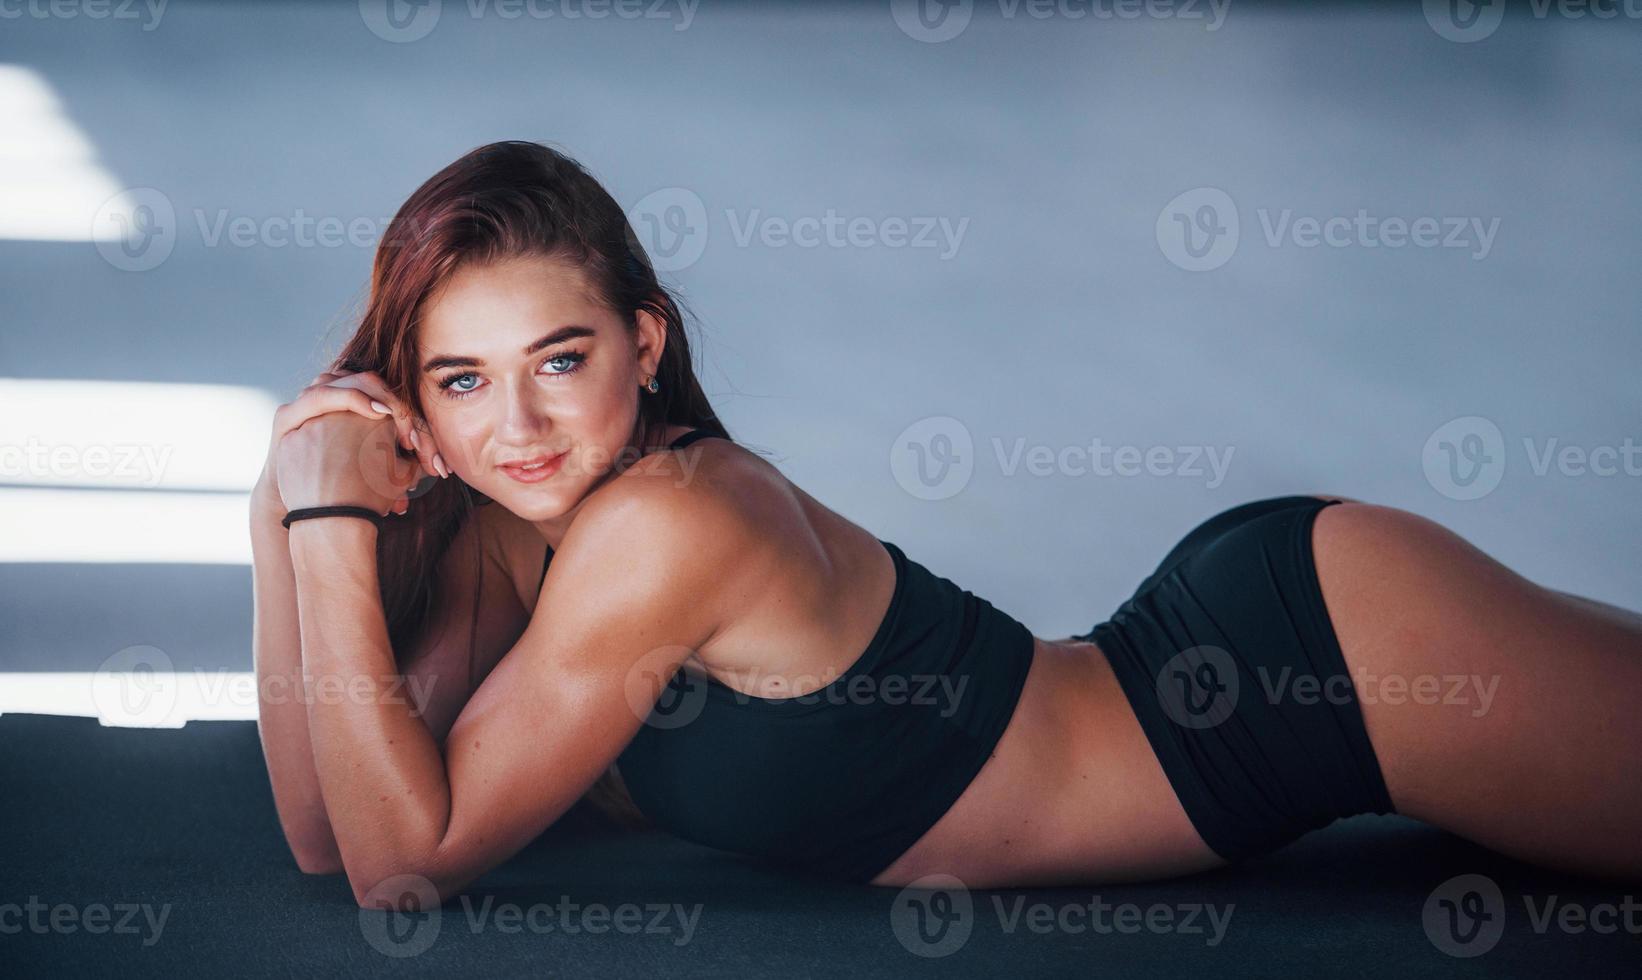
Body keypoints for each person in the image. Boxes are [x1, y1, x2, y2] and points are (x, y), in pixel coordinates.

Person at [252, 141, 1642, 910]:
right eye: (461, 382)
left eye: (559, 358)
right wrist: (280, 505)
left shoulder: (669, 524)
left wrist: (324, 517)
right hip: (1224, 651)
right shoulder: (522, 521)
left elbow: (402, 865)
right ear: (418, 402)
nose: (520, 428)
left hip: (1322, 673)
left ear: (644, 341)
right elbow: (332, 830)